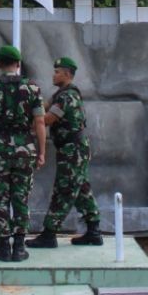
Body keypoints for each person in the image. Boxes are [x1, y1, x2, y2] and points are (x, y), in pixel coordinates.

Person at [0, 44, 46, 263]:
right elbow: (40, 121)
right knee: (21, 199)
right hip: (25, 149)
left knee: (1, 199)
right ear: (18, 64)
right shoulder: (33, 88)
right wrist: (42, 152)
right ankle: (19, 247)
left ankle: (4, 248)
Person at [27, 56, 102, 247]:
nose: (53, 75)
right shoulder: (62, 94)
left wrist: (28, 124)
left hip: (72, 150)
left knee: (65, 189)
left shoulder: (66, 96)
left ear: (67, 74)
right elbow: (43, 109)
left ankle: (49, 234)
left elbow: (47, 119)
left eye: (57, 72)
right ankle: (94, 231)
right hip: (73, 149)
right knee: (81, 189)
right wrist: (31, 99)